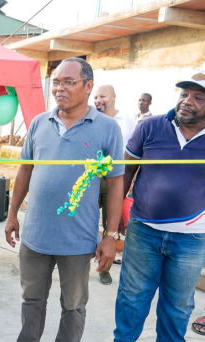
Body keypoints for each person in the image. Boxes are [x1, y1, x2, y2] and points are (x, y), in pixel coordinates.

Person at [5, 57, 124, 342]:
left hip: (77, 240)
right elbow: (25, 170)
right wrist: (12, 215)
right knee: (31, 300)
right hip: (35, 236)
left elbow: (116, 181)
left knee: (73, 305)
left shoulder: (107, 128)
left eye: (69, 82)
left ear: (88, 86)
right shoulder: (39, 123)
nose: (60, 89)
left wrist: (110, 235)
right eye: (56, 83)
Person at [114, 71, 205, 341]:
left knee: (177, 307)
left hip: (192, 238)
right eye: (184, 94)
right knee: (132, 299)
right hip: (143, 231)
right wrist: (115, 216)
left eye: (198, 97)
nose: (187, 101)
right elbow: (126, 172)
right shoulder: (150, 126)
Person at [93, 84, 137, 285]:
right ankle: (75, 257)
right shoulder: (90, 118)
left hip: (115, 180)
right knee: (82, 216)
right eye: (95, 97)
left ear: (113, 97)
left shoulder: (128, 121)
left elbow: (136, 153)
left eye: (102, 96)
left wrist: (130, 182)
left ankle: (105, 268)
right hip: (92, 179)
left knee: (111, 224)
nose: (98, 100)